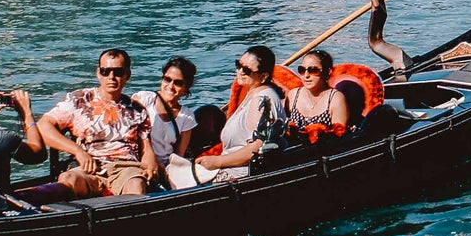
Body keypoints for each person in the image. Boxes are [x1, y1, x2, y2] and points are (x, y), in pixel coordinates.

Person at [38, 48, 158, 198]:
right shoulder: (79, 100)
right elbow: (43, 126)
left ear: (127, 74)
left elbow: (146, 149)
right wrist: (77, 151)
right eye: (105, 71)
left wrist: (150, 165)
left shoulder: (138, 110)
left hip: (126, 168)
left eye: (118, 72)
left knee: (136, 185)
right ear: (98, 73)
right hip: (88, 166)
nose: (111, 77)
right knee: (69, 180)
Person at [166, 45, 282, 189]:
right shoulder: (252, 94)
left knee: (173, 178)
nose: (239, 71)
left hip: (238, 175)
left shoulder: (262, 101)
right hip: (228, 167)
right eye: (238, 65)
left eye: (246, 70)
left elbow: (259, 147)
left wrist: (218, 161)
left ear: (263, 76)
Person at [132, 57, 197, 171]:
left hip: (167, 167)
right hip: (141, 161)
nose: (170, 86)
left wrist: (167, 170)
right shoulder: (145, 99)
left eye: (178, 83)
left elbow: (179, 154)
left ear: (186, 87)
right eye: (167, 79)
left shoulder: (187, 116)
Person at [284, 49, 351, 144]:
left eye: (313, 70)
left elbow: (338, 138)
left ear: (327, 72)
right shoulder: (293, 95)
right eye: (302, 70)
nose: (306, 75)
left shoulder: (336, 99)